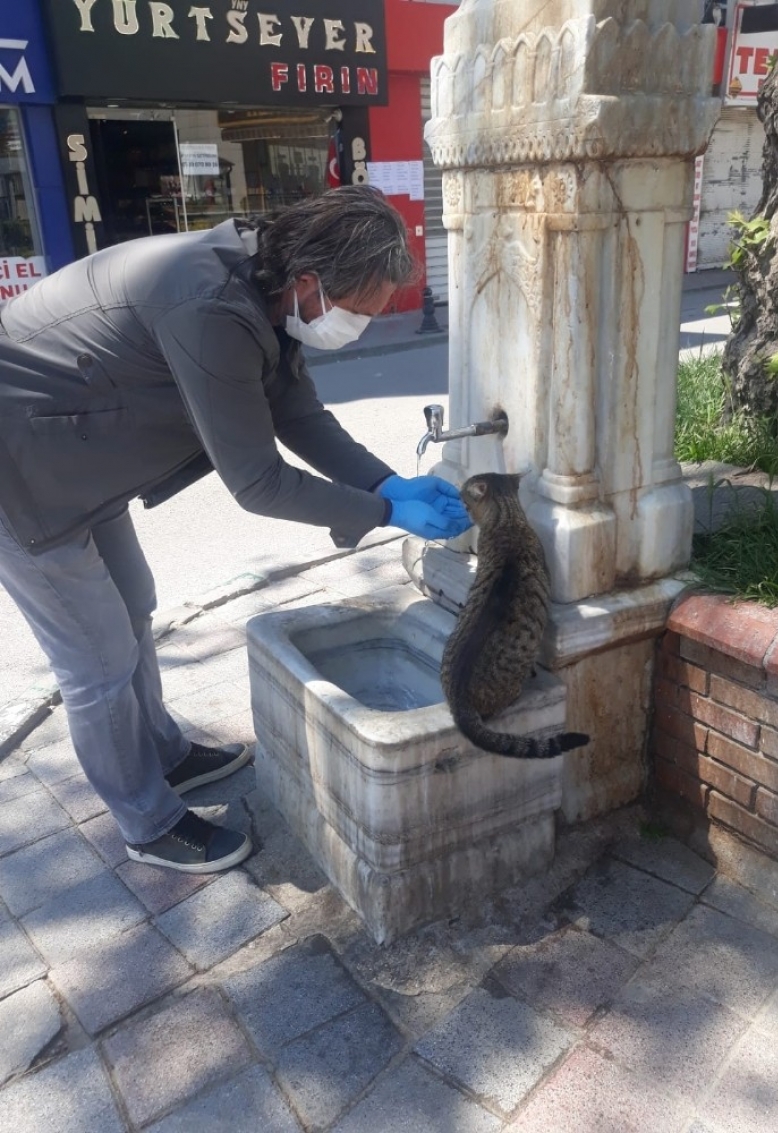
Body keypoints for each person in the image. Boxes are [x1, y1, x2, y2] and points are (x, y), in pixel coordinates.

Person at [0, 186, 471, 875]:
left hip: (76, 456)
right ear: (311, 283)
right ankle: (146, 820)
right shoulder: (213, 310)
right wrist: (384, 514)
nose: (361, 327)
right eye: (358, 312)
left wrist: (383, 482)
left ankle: (164, 753)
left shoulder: (267, 286)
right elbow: (258, 482)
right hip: (21, 474)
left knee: (134, 604)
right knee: (97, 661)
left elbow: (298, 412)